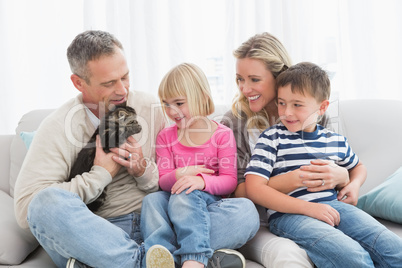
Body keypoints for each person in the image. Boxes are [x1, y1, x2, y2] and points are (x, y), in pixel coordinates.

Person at [13, 30, 171, 268]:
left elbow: (175, 178)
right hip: (98, 237)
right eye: (109, 83)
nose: (122, 90)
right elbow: (28, 209)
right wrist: (100, 175)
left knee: (243, 213)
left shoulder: (150, 107)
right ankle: (149, 261)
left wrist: (143, 170)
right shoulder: (58, 126)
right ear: (79, 82)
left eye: (125, 77)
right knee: (44, 205)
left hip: (157, 224)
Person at [221, 32, 359, 267]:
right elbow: (239, 193)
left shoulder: (310, 111)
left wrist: (346, 178)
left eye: (254, 79)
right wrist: (294, 179)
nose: (245, 88)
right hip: (261, 222)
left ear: (279, 77)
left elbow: (342, 162)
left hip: (316, 210)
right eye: (239, 79)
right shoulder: (234, 123)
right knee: (289, 256)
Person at [245, 61, 402, 267]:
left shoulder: (334, 140)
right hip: (290, 215)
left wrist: (353, 185)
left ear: (322, 107)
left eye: (297, 105)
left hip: (335, 207)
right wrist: (308, 208)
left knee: (393, 248)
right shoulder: (271, 138)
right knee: (352, 257)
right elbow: (254, 188)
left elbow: (358, 167)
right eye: (282, 103)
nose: (287, 112)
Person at [141, 63, 260, 268]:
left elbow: (230, 181)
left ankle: (182, 256)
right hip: (174, 204)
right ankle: (187, 256)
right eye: (166, 104)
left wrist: (201, 182)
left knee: (247, 210)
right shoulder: (166, 137)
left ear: (203, 98)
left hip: (211, 205)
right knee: (152, 201)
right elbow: (163, 181)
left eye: (179, 103)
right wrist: (181, 174)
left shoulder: (221, 134)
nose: (172, 111)